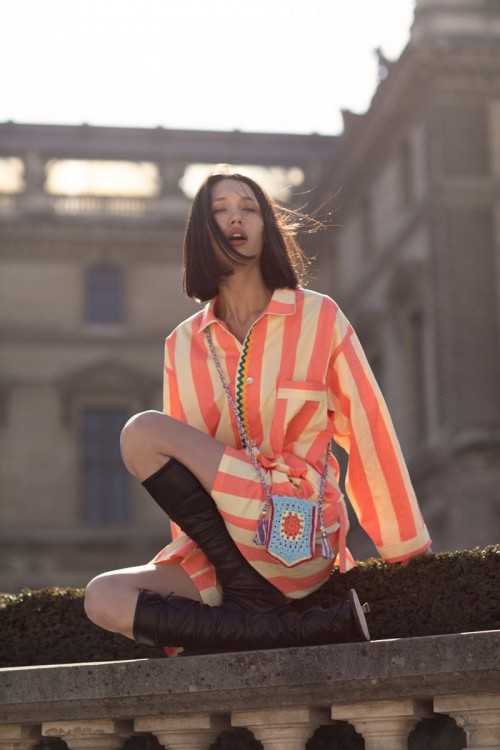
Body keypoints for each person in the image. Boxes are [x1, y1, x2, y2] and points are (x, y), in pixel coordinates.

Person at [84, 169, 432, 654]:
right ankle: (294, 626)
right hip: (229, 550)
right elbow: (183, 480)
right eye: (220, 211)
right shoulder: (182, 345)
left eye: (248, 208)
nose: (236, 218)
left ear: (267, 227)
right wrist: (195, 554)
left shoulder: (319, 317)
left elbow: (367, 429)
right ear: (201, 234)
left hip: (301, 530)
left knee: (142, 430)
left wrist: (405, 546)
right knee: (103, 598)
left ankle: (249, 610)